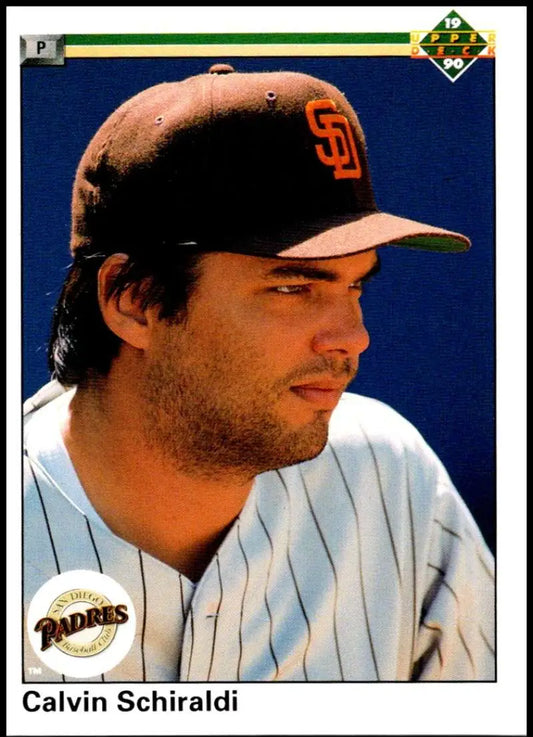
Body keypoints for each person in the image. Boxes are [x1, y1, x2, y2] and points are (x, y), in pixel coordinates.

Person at [23, 64, 494, 682]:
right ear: (132, 298)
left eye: (355, 286)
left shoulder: (389, 468)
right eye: (294, 286)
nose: (354, 337)